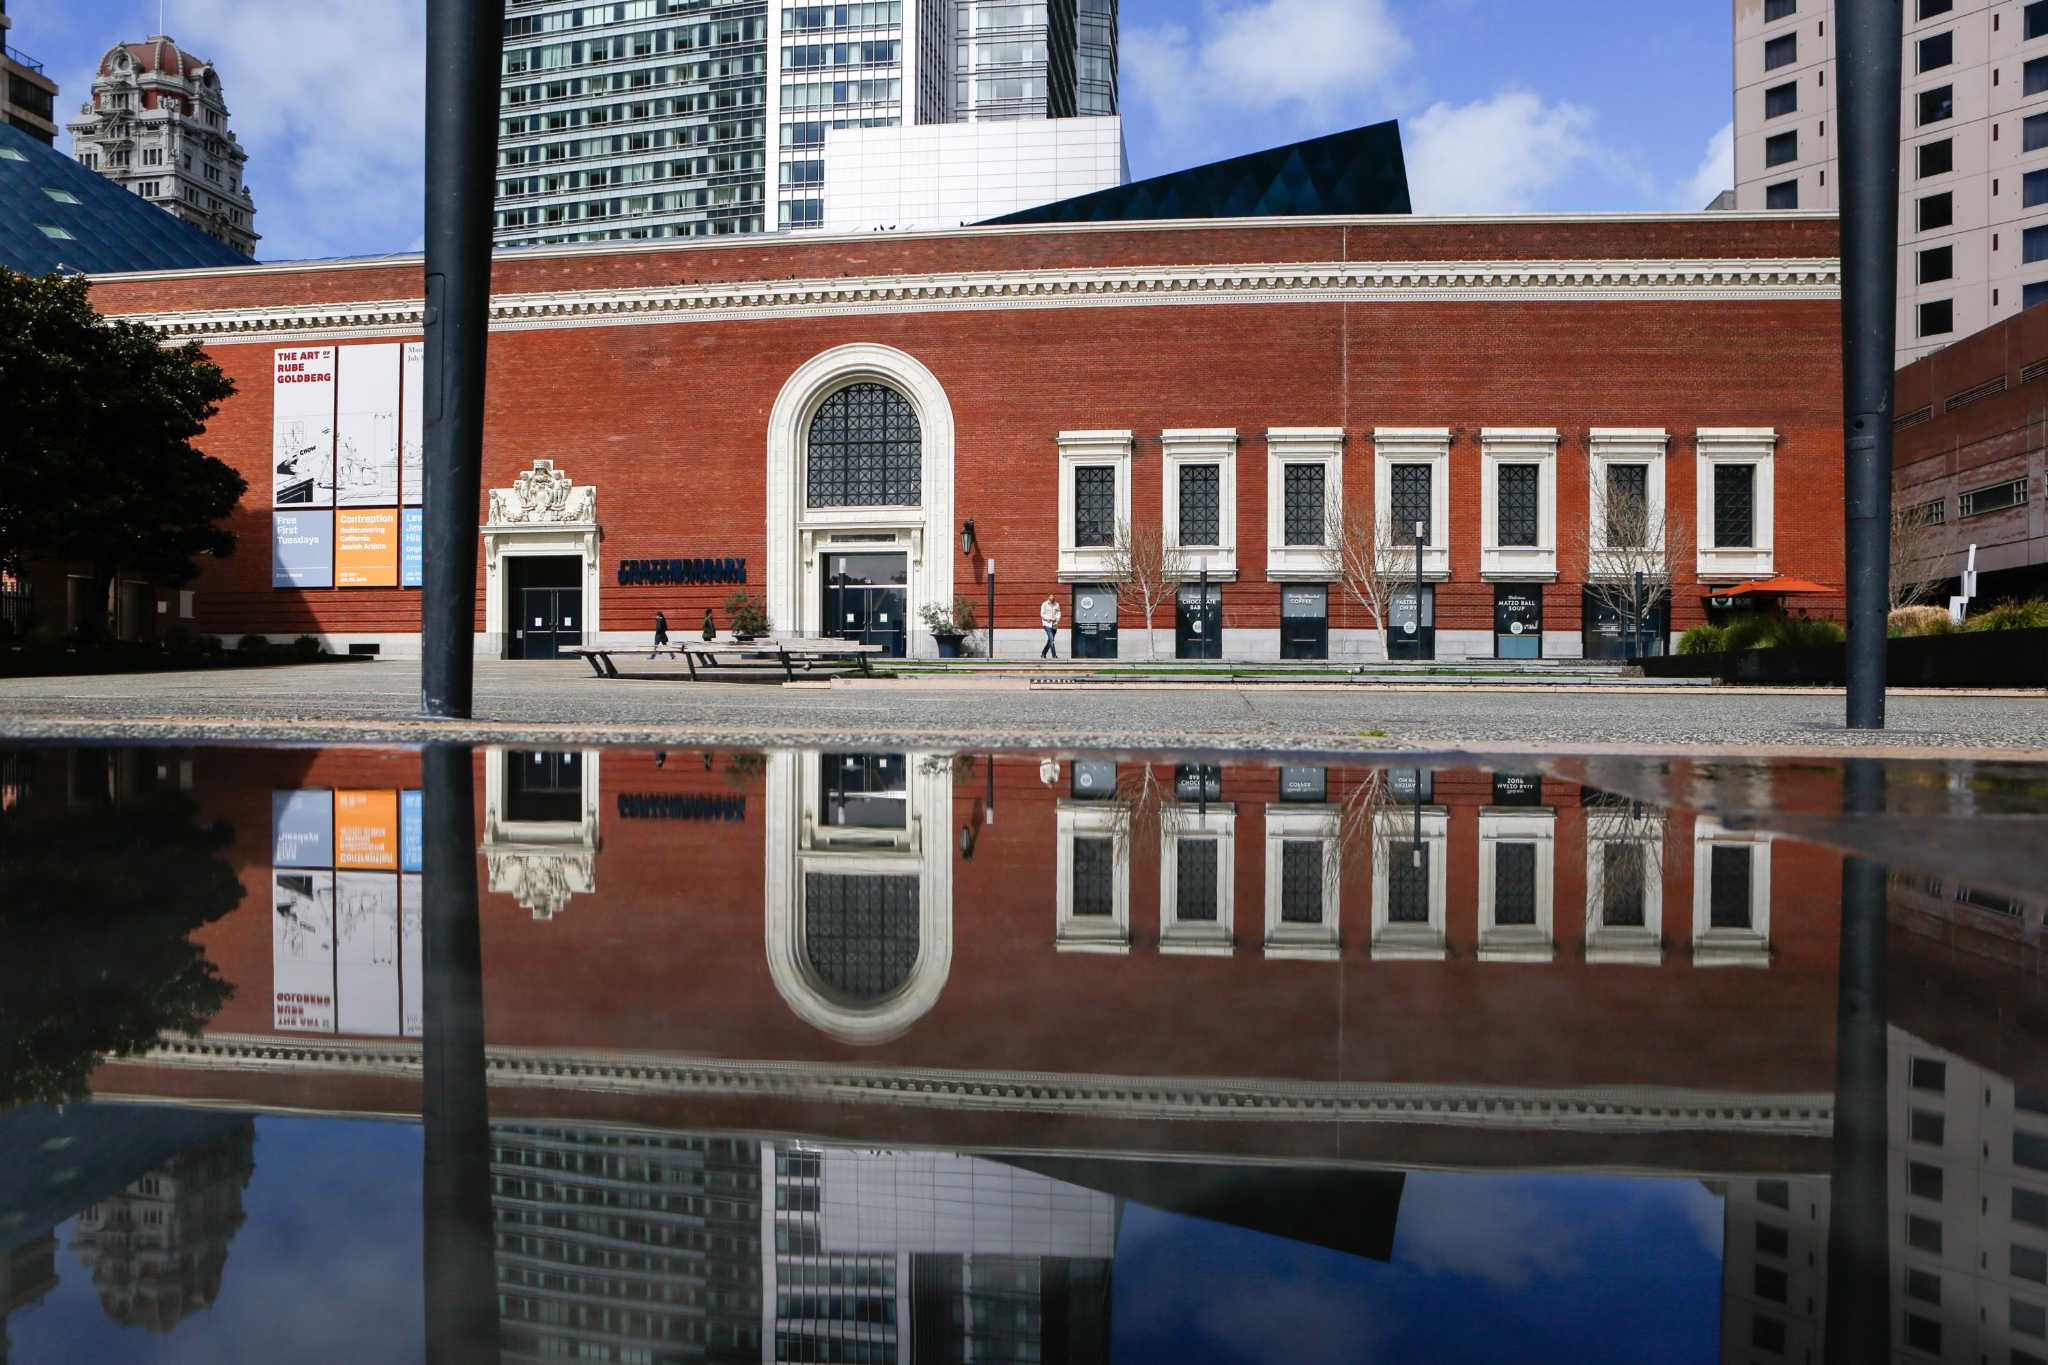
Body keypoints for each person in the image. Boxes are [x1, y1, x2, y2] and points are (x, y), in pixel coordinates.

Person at [1039, 594, 1061, 659]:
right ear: (1048, 598)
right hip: (1047, 624)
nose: (1052, 600)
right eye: (1051, 599)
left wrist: (1057, 619)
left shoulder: (1056, 604)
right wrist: (1048, 619)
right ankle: (1054, 655)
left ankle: (1043, 654)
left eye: (1053, 599)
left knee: (1050, 641)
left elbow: (1059, 613)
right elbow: (1042, 614)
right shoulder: (1044, 604)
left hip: (1054, 624)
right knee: (1052, 640)